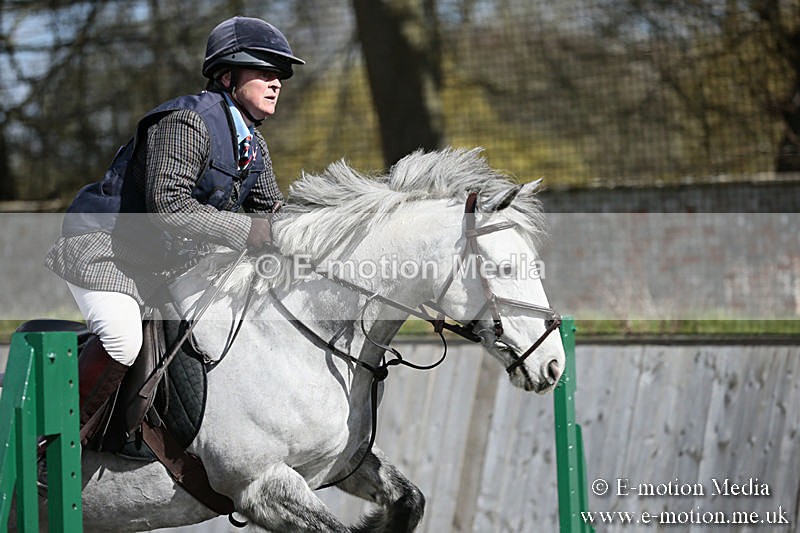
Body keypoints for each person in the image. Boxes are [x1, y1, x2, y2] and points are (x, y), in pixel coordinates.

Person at [45, 16, 304, 443]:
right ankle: (50, 443)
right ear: (227, 76)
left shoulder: (253, 146)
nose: (276, 83)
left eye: (280, 75)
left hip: (160, 265)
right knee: (124, 341)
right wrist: (252, 232)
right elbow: (168, 207)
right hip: (105, 251)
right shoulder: (188, 121)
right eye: (263, 71)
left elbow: (271, 214)